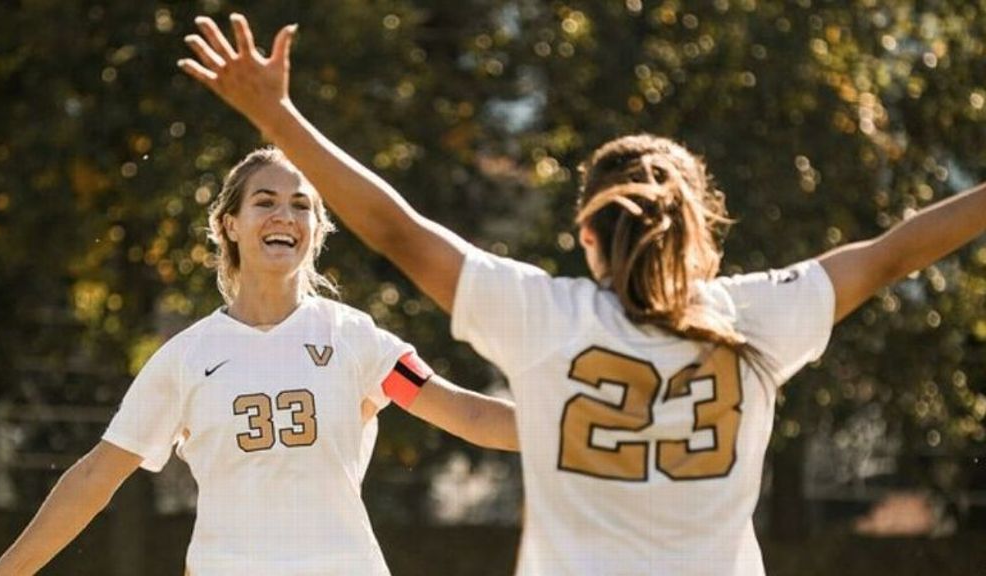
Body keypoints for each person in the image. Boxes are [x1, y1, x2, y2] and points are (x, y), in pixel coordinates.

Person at [178, 13, 986, 575]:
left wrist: (278, 118)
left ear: (589, 234)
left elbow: (395, 231)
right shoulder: (759, 316)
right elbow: (893, 254)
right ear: (703, 227)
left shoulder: (544, 318)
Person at [0, 147, 518, 576]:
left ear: (316, 231)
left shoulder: (356, 340)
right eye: (265, 201)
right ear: (229, 225)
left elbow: (466, 414)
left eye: (301, 204)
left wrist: (578, 425)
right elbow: (97, 476)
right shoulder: (186, 358)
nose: (284, 214)